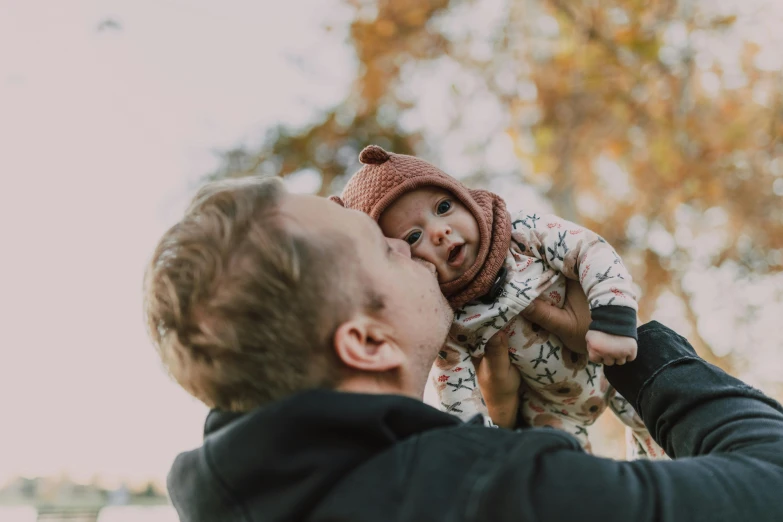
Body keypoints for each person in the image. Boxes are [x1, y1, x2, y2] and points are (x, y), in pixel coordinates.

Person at [144, 176, 783, 522]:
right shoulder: (489, 494)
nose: (414, 248)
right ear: (366, 342)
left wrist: (503, 429)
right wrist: (643, 352)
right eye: (385, 249)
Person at [332, 145, 662, 457]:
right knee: (565, 475)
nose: (439, 232)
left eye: (444, 208)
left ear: (464, 198)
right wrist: (481, 448)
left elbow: (589, 250)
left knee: (660, 419)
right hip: (551, 409)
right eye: (413, 236)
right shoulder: (446, 317)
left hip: (615, 359)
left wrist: (613, 318)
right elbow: (455, 392)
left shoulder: (519, 232)